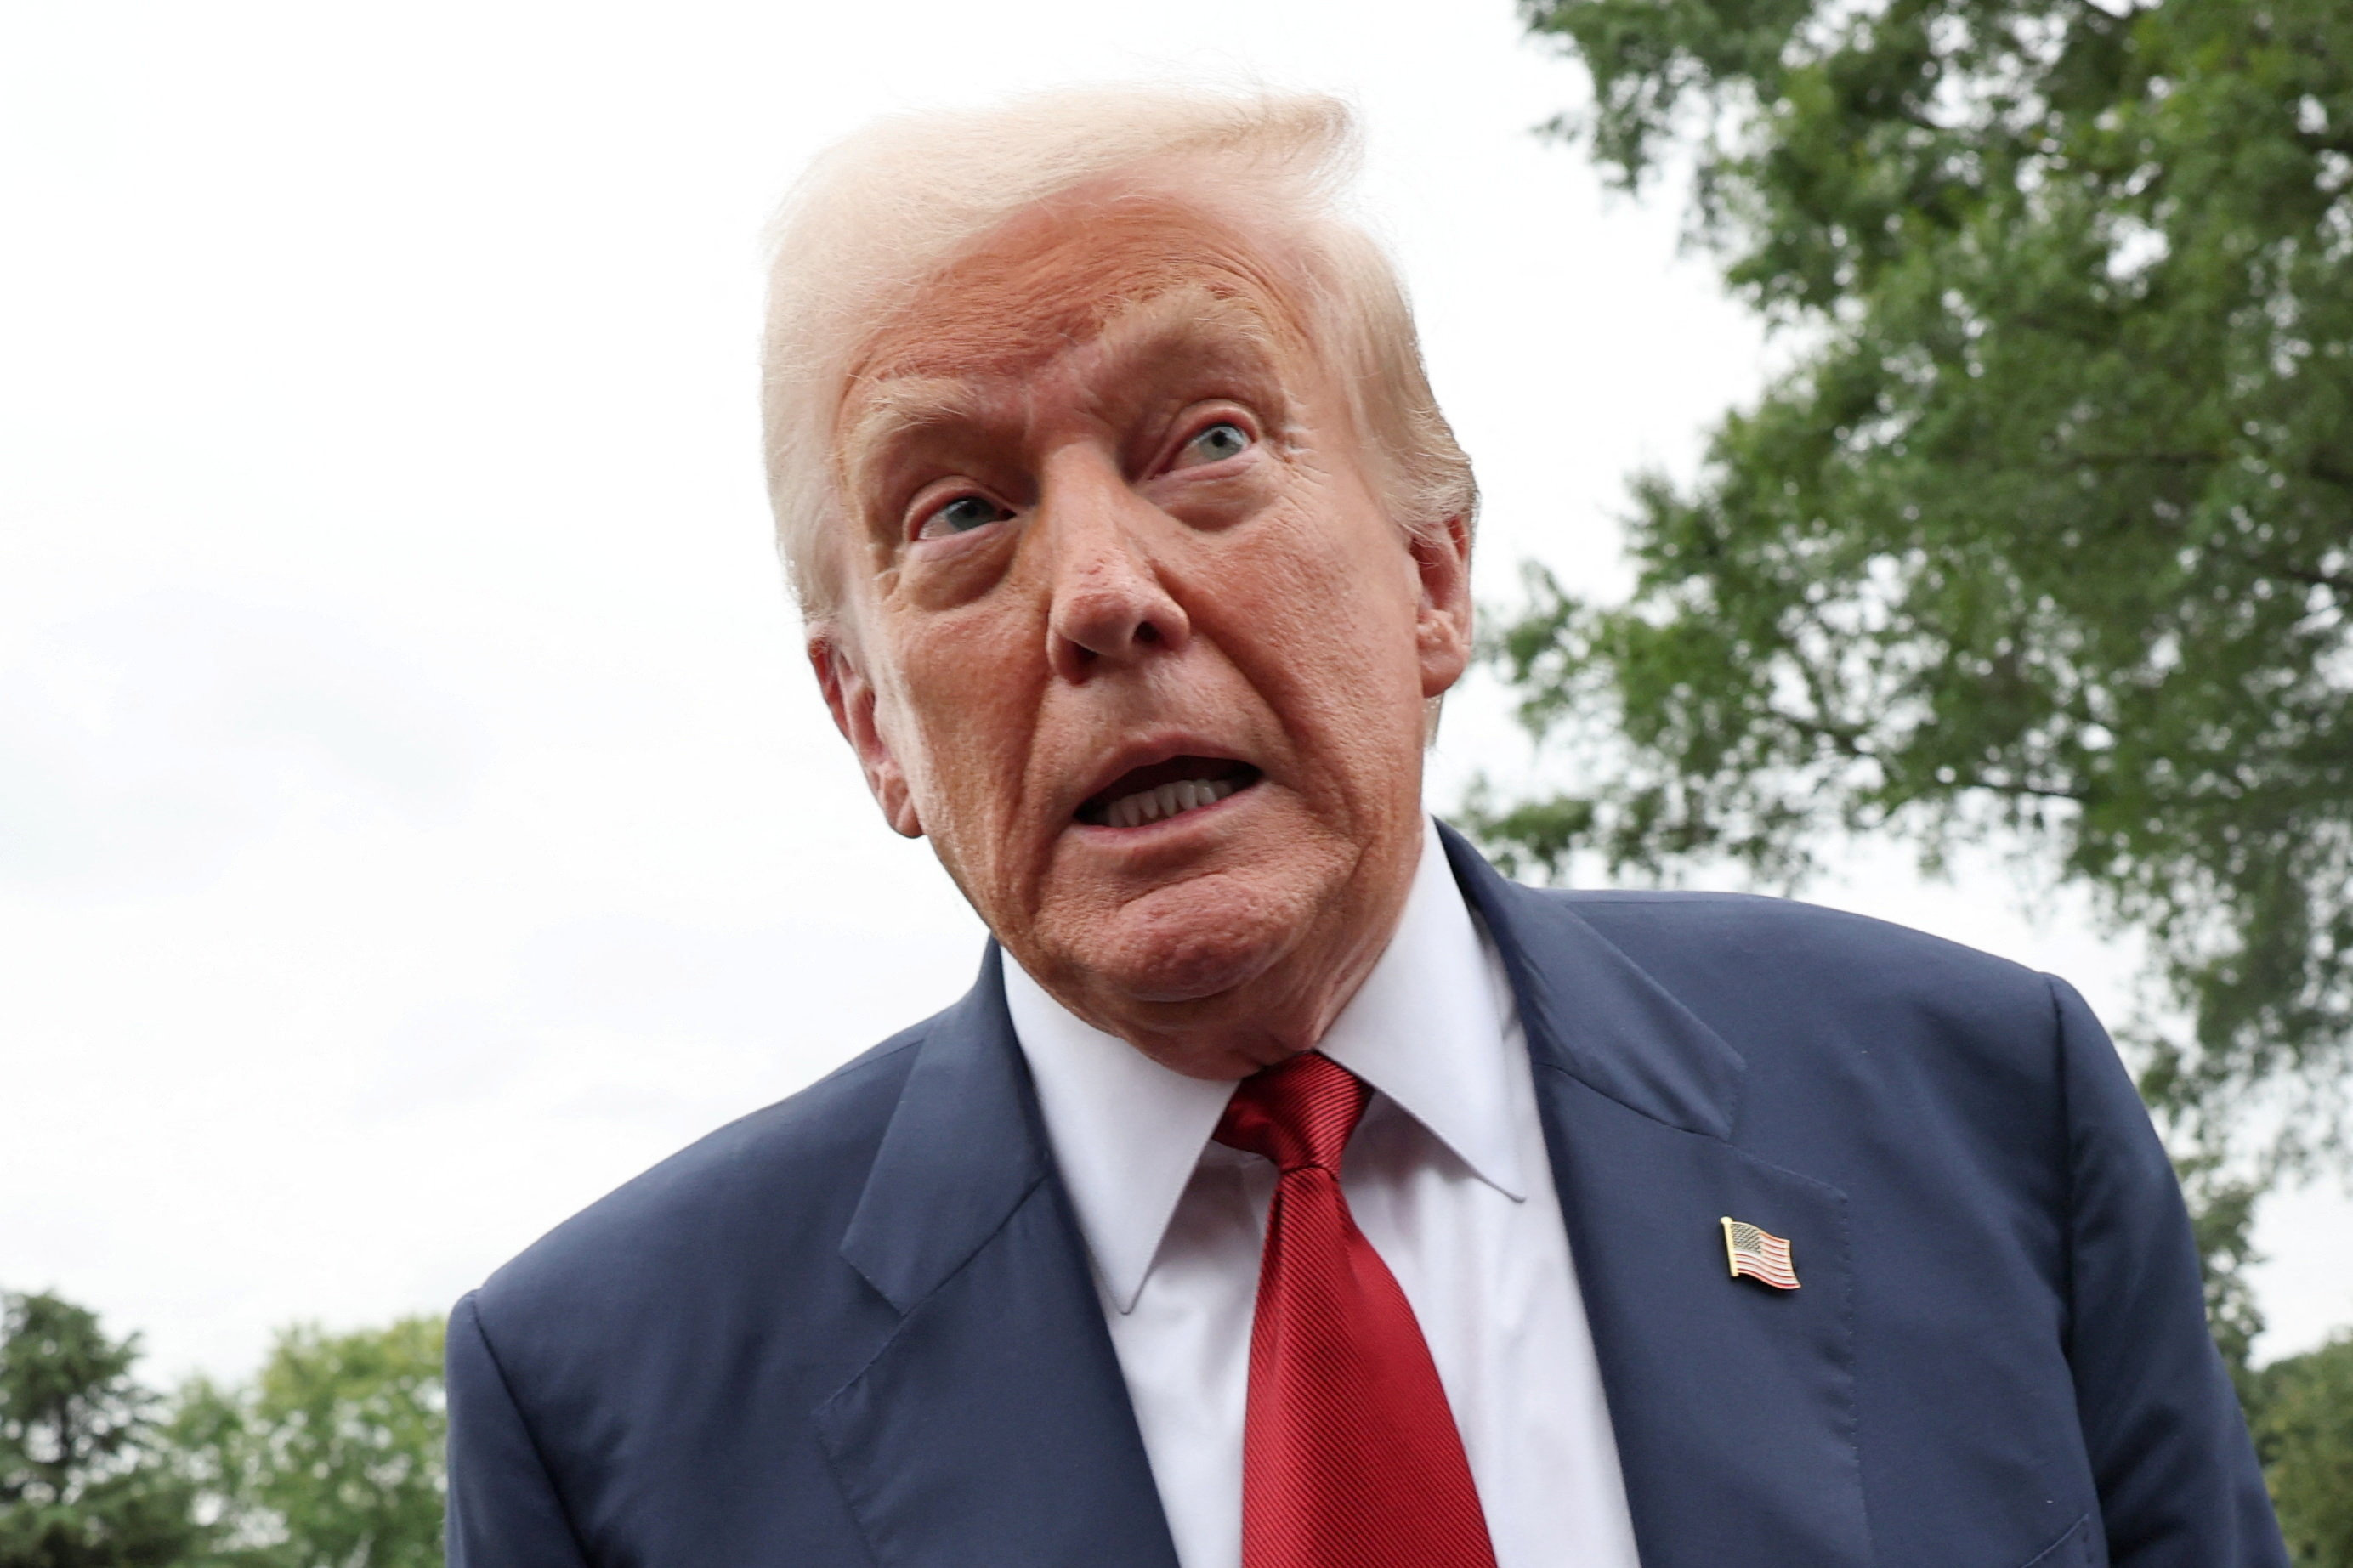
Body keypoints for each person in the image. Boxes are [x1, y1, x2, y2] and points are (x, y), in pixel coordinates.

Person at [442, 88, 2286, 1567]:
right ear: (872, 726)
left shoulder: (1978, 1108)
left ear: (1429, 572)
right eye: (955, 513)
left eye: (1211, 438)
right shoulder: (605, 1406)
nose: (1101, 590)